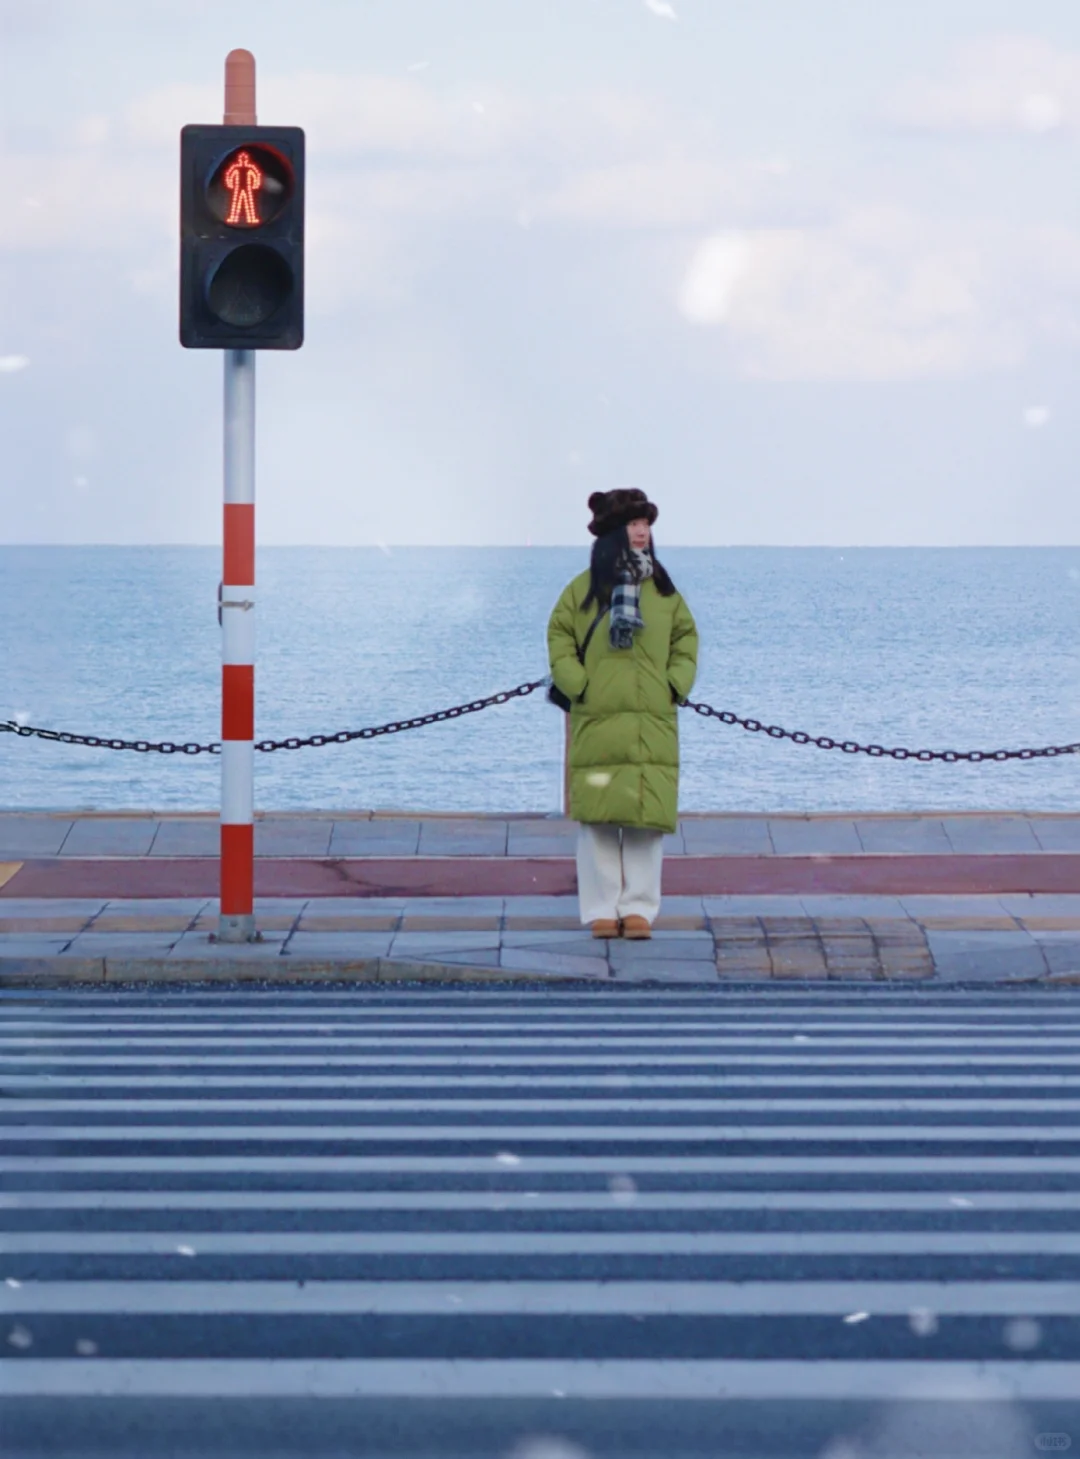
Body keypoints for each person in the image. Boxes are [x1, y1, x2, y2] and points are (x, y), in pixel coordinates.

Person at [547, 488, 698, 940]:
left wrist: (674, 683)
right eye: (634, 524)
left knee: (644, 820)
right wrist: (579, 685)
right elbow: (559, 637)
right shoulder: (583, 589)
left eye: (646, 525)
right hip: (598, 716)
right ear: (614, 532)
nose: (642, 532)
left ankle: (638, 909)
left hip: (650, 718)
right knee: (598, 820)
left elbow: (686, 641)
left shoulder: (665, 591)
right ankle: (601, 908)